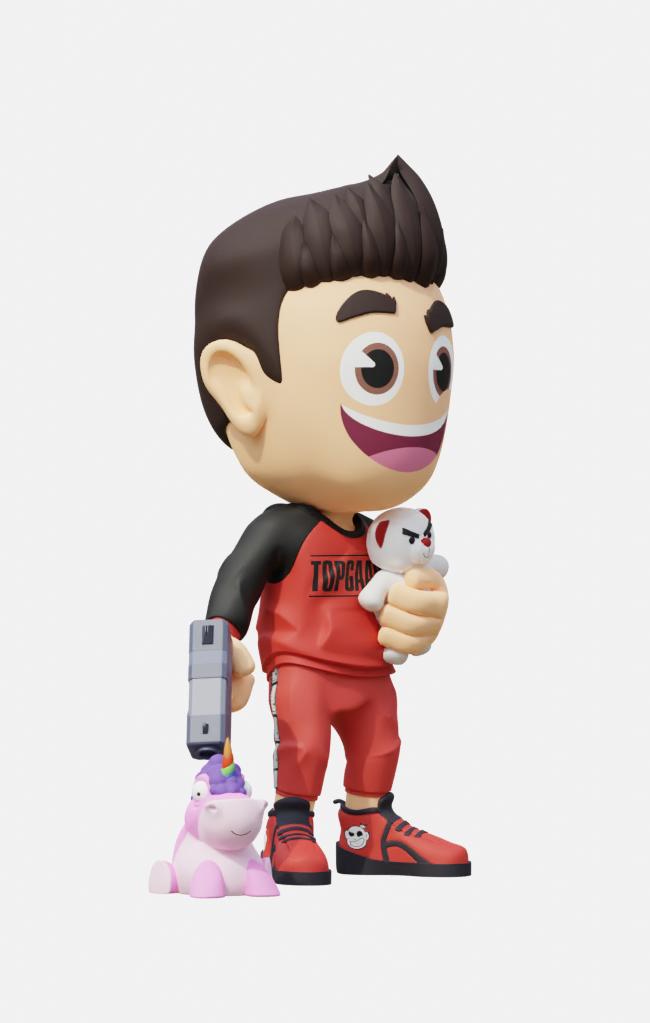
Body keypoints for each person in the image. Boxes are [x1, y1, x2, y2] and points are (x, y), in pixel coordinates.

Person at [193, 156, 470, 884]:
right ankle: (290, 821)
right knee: (303, 745)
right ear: (241, 388)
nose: (420, 404)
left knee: (380, 741)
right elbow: (235, 584)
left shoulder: (387, 533)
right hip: (304, 671)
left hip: (369, 673)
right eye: (376, 368)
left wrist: (420, 610)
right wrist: (220, 651)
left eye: (438, 367)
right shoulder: (280, 530)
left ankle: (368, 823)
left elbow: (406, 594)